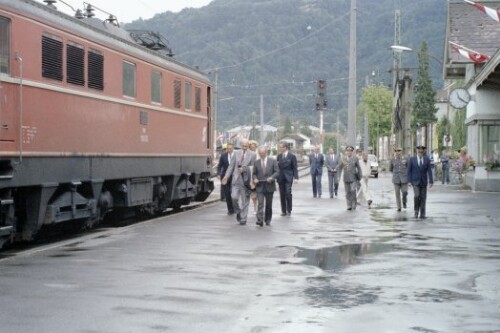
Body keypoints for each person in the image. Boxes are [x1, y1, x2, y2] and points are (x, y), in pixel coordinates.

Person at [222, 138, 256, 225]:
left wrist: (244, 169)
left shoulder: (253, 154)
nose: (244, 147)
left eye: (246, 146)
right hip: (236, 180)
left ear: (248, 145)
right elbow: (231, 166)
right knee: (234, 197)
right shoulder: (236, 153)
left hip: (246, 181)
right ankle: (238, 212)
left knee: (245, 201)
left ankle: (243, 219)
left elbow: (253, 168)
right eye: (243, 146)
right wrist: (226, 176)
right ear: (241, 145)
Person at [252, 146, 279, 226]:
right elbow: (254, 173)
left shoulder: (273, 161)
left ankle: (268, 219)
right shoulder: (256, 162)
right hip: (260, 185)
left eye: (263, 153)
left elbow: (277, 172)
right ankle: (260, 219)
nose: (262, 155)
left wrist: (272, 177)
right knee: (260, 203)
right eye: (260, 153)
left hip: (269, 185)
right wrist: (255, 179)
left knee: (268, 204)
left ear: (266, 153)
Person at [407, 145, 433, 219]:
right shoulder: (412, 159)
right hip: (415, 182)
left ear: (423, 152)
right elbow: (409, 171)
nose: (420, 154)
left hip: (423, 182)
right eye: (419, 152)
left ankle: (422, 213)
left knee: (423, 198)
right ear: (417, 152)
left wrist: (431, 181)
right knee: (417, 195)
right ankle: (416, 211)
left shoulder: (426, 159)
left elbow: (429, 171)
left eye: (422, 152)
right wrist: (409, 181)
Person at [277, 142, 299, 216]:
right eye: (279, 147)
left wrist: (296, 177)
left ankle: (289, 208)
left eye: (281, 147)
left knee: (288, 192)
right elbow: (277, 167)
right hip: (280, 177)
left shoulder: (292, 156)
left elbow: (295, 167)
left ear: (285, 147)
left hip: (288, 177)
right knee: (282, 194)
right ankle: (283, 211)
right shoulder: (279, 156)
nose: (280, 148)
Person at [338, 146, 362, 211]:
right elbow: (339, 168)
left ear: (352, 151)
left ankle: (354, 203)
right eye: (348, 150)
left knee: (353, 191)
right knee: (347, 192)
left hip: (353, 178)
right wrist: (338, 176)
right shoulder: (343, 159)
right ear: (346, 151)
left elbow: (358, 168)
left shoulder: (355, 158)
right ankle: (349, 205)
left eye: (350, 151)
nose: (349, 152)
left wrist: (360, 176)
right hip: (346, 178)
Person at [217, 142, 234, 215]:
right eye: (228, 149)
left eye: (230, 149)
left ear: (233, 149)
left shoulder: (236, 155)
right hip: (225, 177)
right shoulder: (223, 156)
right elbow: (219, 166)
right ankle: (230, 209)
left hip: (234, 177)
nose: (229, 150)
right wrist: (218, 174)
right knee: (227, 194)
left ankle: (234, 207)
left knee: (233, 194)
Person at [390, 147, 408, 212]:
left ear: (401, 151)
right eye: (396, 151)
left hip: (404, 179)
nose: (398, 152)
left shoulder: (405, 159)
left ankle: (404, 201)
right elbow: (391, 169)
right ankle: (399, 207)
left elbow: (408, 168)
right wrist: (395, 174)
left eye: (399, 151)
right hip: (396, 179)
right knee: (397, 193)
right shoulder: (393, 160)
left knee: (404, 192)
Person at [248, 140, 258, 212]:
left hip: (259, 176)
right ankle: (255, 207)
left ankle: (260, 206)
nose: (252, 149)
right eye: (251, 148)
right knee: (253, 193)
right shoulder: (248, 155)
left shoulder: (259, 154)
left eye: (254, 147)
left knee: (260, 193)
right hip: (251, 176)